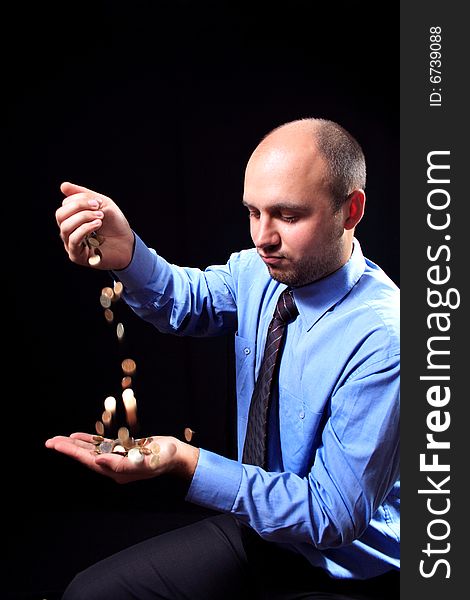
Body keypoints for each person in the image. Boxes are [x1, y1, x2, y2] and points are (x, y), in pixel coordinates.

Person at [47, 117, 400, 600]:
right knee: (89, 594)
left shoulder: (385, 338)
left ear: (350, 210)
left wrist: (184, 462)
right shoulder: (259, 270)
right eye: (253, 212)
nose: (263, 237)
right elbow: (183, 301)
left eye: (288, 216)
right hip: (259, 533)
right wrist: (126, 254)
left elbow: (330, 514)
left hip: (350, 569)